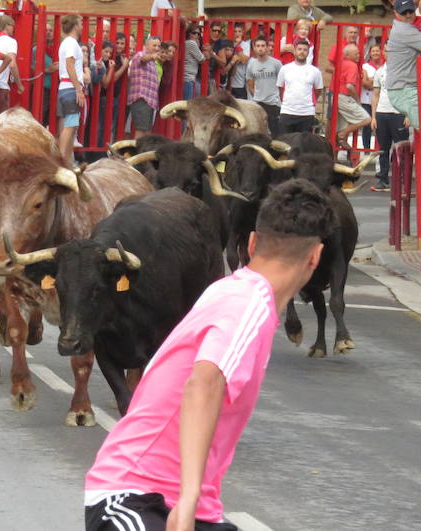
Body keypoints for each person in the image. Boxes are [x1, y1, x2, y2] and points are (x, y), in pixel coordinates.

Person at [85, 178, 333, 531]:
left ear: (251, 242)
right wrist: (187, 501)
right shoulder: (249, 304)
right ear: (315, 256)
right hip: (138, 496)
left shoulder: (234, 292)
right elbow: (203, 383)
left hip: (186, 505)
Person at [385, 0, 421, 130]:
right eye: (403, 12)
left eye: (410, 11)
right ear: (395, 13)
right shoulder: (403, 30)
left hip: (405, 88)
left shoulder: (405, 27)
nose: (408, 15)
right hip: (404, 90)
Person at [370, 61, 406, 193]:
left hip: (398, 114)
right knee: (383, 150)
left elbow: (408, 93)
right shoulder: (379, 72)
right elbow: (375, 95)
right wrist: (373, 117)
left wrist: (407, 114)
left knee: (401, 149)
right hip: (382, 113)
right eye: (387, 50)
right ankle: (383, 180)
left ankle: (403, 181)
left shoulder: (403, 70)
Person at [53, 14, 85, 162]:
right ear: (75, 26)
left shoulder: (65, 43)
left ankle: (65, 159)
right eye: (81, 23)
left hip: (64, 87)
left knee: (70, 125)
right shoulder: (72, 43)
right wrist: (78, 89)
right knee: (70, 125)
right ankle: (62, 160)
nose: (83, 26)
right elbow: (70, 64)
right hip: (71, 88)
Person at [276, 39, 322, 133]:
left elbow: (318, 90)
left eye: (305, 50)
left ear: (308, 52)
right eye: (299, 49)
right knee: (285, 143)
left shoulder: (315, 71)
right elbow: (280, 88)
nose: (302, 52)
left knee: (304, 145)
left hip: (306, 113)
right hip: (287, 112)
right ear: (295, 51)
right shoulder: (285, 69)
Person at [332, 44, 372, 151]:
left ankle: (337, 141)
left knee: (341, 123)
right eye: (356, 54)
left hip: (335, 96)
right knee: (367, 119)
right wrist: (357, 100)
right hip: (344, 96)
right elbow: (349, 86)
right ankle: (342, 134)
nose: (359, 55)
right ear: (348, 55)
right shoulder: (352, 65)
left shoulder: (341, 64)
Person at [126, 35, 162, 140]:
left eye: (158, 46)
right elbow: (143, 59)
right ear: (146, 46)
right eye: (154, 45)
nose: (157, 48)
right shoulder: (140, 55)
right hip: (141, 98)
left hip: (149, 101)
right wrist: (152, 56)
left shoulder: (153, 62)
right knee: (141, 131)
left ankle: (141, 153)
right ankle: (137, 154)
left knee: (146, 131)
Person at [246, 36, 283, 135]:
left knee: (276, 134)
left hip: (274, 104)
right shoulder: (251, 64)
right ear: (254, 48)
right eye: (258, 46)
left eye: (263, 46)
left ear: (267, 47)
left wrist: (278, 97)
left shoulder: (276, 64)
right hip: (258, 104)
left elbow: (282, 84)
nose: (260, 48)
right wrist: (257, 96)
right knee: (260, 133)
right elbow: (250, 84)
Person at [183, 26, 209, 100]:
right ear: (188, 34)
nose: (196, 35)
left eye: (198, 34)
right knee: (188, 103)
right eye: (194, 33)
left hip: (187, 77)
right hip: (188, 78)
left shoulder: (187, 43)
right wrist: (205, 54)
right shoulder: (191, 43)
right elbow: (201, 59)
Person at [226, 23, 250, 99]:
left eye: (239, 31)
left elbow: (243, 60)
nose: (237, 34)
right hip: (227, 81)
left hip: (240, 82)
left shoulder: (245, 45)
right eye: (235, 31)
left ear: (242, 33)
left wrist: (238, 46)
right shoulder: (228, 44)